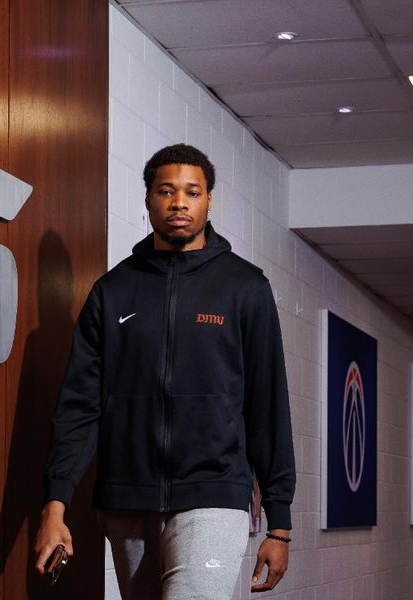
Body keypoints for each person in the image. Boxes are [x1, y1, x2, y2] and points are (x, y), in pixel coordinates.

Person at [33, 143, 296, 598]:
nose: (179, 203)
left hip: (213, 495)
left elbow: (268, 405)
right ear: (149, 198)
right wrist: (54, 505)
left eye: (192, 192)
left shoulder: (245, 287)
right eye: (166, 191)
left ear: (209, 199)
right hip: (126, 499)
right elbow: (80, 406)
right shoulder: (112, 292)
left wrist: (281, 524)